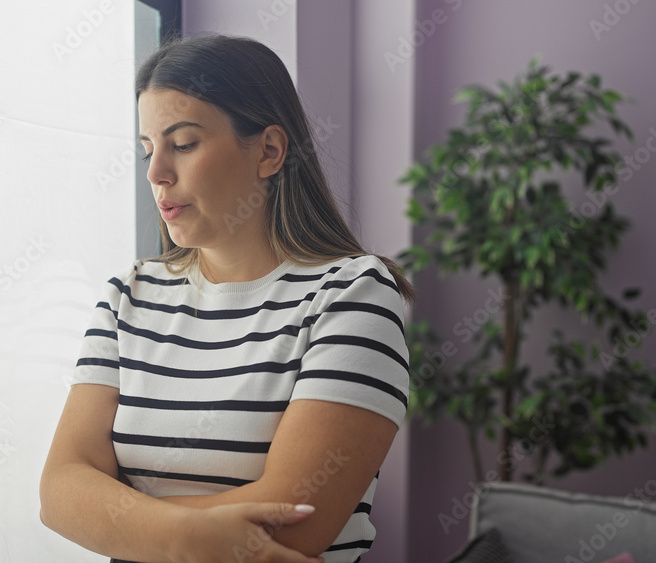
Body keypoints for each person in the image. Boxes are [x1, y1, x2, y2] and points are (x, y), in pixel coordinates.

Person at [39, 32, 415, 563]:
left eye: (184, 144)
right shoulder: (129, 295)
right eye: (148, 150)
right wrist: (191, 536)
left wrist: (120, 518)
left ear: (268, 151)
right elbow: (58, 494)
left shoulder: (353, 296)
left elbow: (292, 525)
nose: (156, 173)